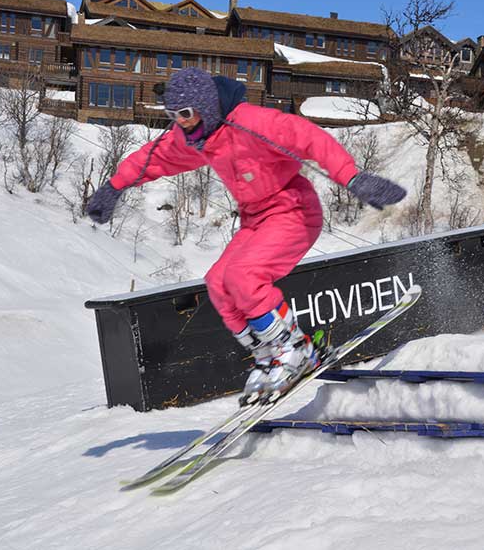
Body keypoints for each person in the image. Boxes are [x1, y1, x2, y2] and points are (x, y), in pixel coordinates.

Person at [86, 68, 406, 404]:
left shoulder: (252, 122)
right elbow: (155, 158)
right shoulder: (197, 136)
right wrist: (115, 186)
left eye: (185, 114)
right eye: (172, 116)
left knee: (244, 276)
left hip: (293, 211)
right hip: (256, 220)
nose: (180, 122)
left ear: (205, 107)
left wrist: (352, 177)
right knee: (219, 282)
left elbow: (309, 137)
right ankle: (269, 355)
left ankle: (291, 348)